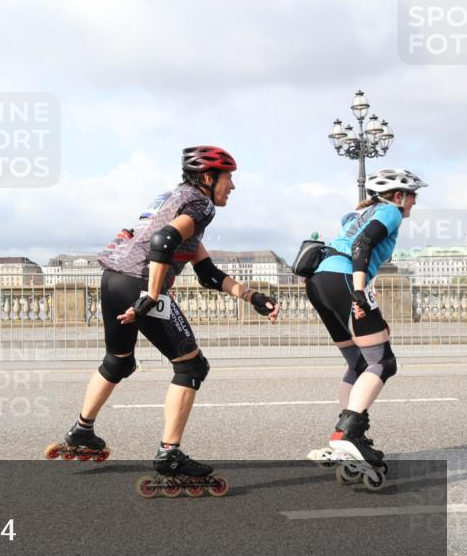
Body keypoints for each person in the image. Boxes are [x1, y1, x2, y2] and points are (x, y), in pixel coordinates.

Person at [44, 146, 280, 490]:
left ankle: (82, 430)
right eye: (229, 178)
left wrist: (252, 297)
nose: (233, 187)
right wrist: (151, 295)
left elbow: (208, 273)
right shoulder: (201, 205)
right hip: (139, 284)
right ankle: (169, 453)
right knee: (192, 367)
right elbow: (164, 240)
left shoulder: (175, 199)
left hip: (113, 280)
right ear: (209, 178)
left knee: (119, 361)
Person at [305, 168, 427, 484]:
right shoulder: (390, 212)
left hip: (320, 281)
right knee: (383, 362)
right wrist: (360, 291)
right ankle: (348, 433)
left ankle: (343, 436)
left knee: (359, 362)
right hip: (344, 278)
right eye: (413, 196)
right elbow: (363, 245)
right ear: (400, 196)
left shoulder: (362, 211)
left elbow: (353, 233)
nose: (414, 203)